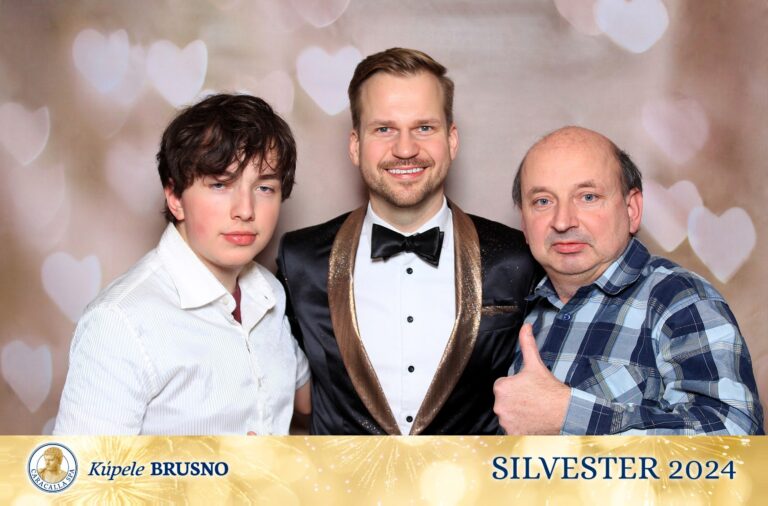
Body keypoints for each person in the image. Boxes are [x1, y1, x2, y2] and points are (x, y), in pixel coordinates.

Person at [277, 48, 539, 435]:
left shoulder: (518, 257)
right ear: (355, 145)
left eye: (424, 128)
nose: (404, 148)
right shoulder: (299, 258)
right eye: (384, 129)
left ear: (451, 140)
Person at [55, 94, 310, 435]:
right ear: (175, 198)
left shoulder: (270, 292)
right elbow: (82, 483)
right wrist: (212, 475)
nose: (245, 210)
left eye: (264, 187)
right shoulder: (120, 322)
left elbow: (311, 400)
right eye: (220, 184)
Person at [493, 126, 764, 435]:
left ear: (632, 209)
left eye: (588, 197)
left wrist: (569, 415)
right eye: (543, 201)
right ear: (524, 222)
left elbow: (735, 442)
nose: (563, 221)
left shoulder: (680, 301)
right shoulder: (517, 311)